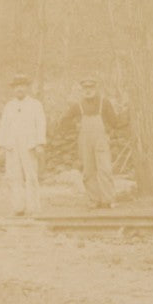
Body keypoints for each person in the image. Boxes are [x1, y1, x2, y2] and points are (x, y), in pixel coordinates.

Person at [61, 77, 119, 209]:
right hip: (85, 141)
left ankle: (108, 199)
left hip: (101, 140)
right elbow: (64, 121)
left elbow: (115, 122)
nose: (88, 90)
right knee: (88, 170)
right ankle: (94, 200)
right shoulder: (77, 105)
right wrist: (75, 125)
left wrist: (108, 130)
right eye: (85, 88)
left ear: (96, 88)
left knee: (105, 169)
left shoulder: (104, 103)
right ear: (82, 90)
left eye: (91, 87)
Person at [0, 73, 46, 216]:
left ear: (27, 88)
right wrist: (1, 146)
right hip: (12, 144)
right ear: (13, 89)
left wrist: (40, 143)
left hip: (29, 144)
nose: (20, 89)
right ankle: (18, 207)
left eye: (22, 86)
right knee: (13, 176)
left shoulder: (35, 105)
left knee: (31, 175)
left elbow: (41, 124)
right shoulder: (9, 106)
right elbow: (3, 126)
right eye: (17, 86)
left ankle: (33, 207)